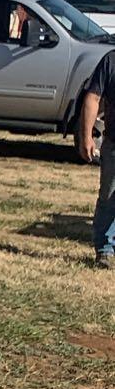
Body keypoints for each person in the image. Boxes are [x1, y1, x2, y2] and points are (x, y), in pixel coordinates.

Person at [76, 47, 115, 268]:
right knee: (109, 197)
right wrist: (87, 135)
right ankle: (105, 250)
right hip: (114, 144)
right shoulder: (110, 61)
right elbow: (93, 97)